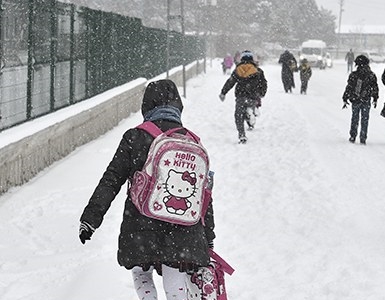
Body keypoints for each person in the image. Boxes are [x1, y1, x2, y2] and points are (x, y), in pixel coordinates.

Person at [78, 79, 216, 300]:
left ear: (147, 105)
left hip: (140, 223)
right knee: (175, 270)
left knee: (141, 273)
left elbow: (111, 180)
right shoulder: (191, 141)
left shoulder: (134, 137)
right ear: (177, 106)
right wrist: (208, 234)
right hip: (182, 227)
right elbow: (204, 194)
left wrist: (90, 219)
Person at [219, 50, 268, 144]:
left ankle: (242, 135)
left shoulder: (238, 70)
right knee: (250, 108)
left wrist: (223, 92)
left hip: (241, 96)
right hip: (253, 96)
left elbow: (230, 82)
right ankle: (251, 114)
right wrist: (262, 93)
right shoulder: (258, 71)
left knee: (238, 115)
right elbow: (264, 84)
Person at [342, 54, 379, 144]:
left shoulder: (354, 75)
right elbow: (375, 87)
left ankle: (353, 135)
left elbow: (349, 87)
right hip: (366, 100)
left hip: (356, 99)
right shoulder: (371, 75)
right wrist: (375, 98)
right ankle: (363, 137)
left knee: (355, 118)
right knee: (365, 119)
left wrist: (345, 97)